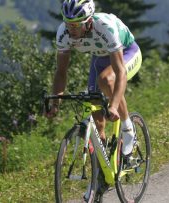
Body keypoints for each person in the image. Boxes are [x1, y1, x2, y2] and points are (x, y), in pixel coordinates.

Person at [48, 0, 142, 157]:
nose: (71, 28)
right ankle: (101, 171)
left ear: (89, 21)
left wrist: (114, 105)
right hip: (100, 57)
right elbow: (61, 71)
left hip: (127, 53)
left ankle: (128, 129)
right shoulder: (63, 33)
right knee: (96, 113)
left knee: (106, 80)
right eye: (68, 23)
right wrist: (55, 102)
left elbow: (120, 72)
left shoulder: (105, 27)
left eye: (77, 24)